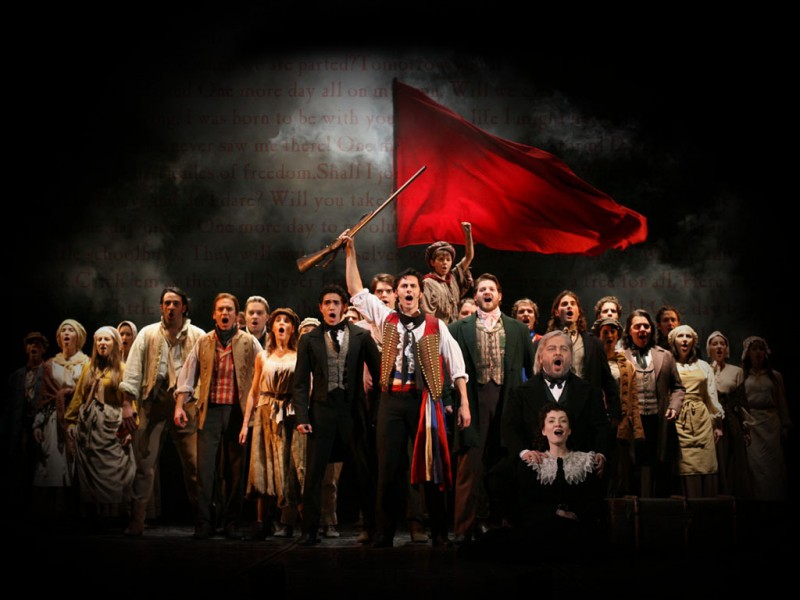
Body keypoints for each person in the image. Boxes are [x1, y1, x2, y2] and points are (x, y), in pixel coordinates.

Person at [344, 232, 471, 548]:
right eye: (404, 287)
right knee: (388, 467)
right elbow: (356, 290)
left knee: (432, 465)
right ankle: (384, 532)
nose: (409, 290)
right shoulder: (386, 317)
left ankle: (438, 531)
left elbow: (457, 367)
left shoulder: (435, 325)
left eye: (413, 286)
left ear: (420, 292)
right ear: (397, 293)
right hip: (391, 400)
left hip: (423, 400)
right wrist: (350, 252)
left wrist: (465, 404)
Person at [291, 283, 381, 546]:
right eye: (327, 303)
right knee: (314, 475)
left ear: (344, 307)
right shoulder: (309, 339)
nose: (332, 307)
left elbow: (379, 377)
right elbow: (300, 383)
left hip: (352, 412)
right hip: (322, 413)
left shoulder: (361, 336)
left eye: (336, 303)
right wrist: (302, 417)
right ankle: (309, 530)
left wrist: (374, 413)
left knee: (363, 472)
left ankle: (372, 528)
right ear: (321, 308)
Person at [448, 273, 533, 544]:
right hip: (473, 401)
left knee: (504, 463)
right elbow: (447, 368)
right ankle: (464, 528)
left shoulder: (518, 330)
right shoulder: (458, 328)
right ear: (475, 296)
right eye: (482, 289)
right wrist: (452, 402)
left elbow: (531, 373)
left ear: (499, 295)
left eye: (491, 289)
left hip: (507, 400)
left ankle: (501, 524)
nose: (487, 292)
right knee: (470, 465)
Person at [120, 286, 205, 536]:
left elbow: (205, 373)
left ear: (184, 307)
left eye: (176, 303)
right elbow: (133, 371)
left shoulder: (198, 336)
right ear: (161, 307)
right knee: (144, 464)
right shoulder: (147, 334)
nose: (171, 307)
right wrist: (127, 404)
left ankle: (202, 520)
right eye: (167, 303)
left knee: (194, 466)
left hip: (187, 404)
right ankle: (137, 520)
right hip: (154, 402)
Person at [176, 292, 262, 540]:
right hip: (210, 411)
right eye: (221, 310)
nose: (225, 313)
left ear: (237, 315)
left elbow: (262, 373)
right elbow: (188, 374)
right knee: (205, 470)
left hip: (237, 413)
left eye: (229, 310)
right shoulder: (204, 342)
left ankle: (232, 522)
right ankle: (204, 521)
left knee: (236, 471)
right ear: (214, 314)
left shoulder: (249, 342)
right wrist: (179, 405)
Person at [240, 307, 302, 539]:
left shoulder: (299, 356)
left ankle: (296, 523)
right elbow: (254, 392)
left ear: (292, 328)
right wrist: (245, 424)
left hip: (289, 414)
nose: (282, 324)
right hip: (266, 413)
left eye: (286, 321)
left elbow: (306, 388)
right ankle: (262, 523)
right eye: (278, 321)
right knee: (263, 467)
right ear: (272, 327)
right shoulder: (263, 357)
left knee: (290, 468)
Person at [65, 326, 137, 526]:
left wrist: (130, 428)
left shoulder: (122, 369)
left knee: (113, 472)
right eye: (99, 340)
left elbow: (130, 401)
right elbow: (79, 396)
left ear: (115, 344)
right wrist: (70, 421)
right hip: (89, 427)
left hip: (111, 427)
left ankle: (113, 517)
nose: (102, 343)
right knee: (88, 472)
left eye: (107, 340)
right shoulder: (89, 368)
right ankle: (92, 517)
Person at [621, 309, 685, 497]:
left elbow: (678, 387)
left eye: (646, 326)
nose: (642, 329)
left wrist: (674, 406)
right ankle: (634, 507)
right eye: (637, 326)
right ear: (629, 330)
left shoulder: (665, 355)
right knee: (633, 467)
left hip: (658, 420)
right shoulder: (621, 357)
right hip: (633, 422)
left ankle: (659, 508)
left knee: (660, 465)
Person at [32, 319, 89, 521]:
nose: (66, 333)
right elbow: (44, 397)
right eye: (63, 330)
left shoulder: (87, 363)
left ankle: (78, 515)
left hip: (78, 418)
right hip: (53, 421)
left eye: (70, 330)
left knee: (76, 467)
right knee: (53, 465)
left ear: (78, 336)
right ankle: (53, 515)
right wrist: (38, 424)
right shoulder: (50, 365)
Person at [669, 324, 724, 498]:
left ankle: (706, 506)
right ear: (673, 341)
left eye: (688, 336)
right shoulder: (668, 363)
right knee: (684, 464)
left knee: (706, 463)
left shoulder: (703, 366)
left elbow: (711, 395)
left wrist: (717, 424)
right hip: (678, 419)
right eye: (680, 336)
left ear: (694, 341)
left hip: (702, 420)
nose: (685, 340)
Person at [593, 316, 643, 497]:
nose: (609, 335)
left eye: (613, 332)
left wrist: (637, 431)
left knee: (620, 472)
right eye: (605, 332)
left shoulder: (626, 365)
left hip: (619, 424)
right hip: (597, 422)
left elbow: (633, 399)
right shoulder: (591, 362)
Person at [741, 336, 791, 505]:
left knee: (773, 466)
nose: (758, 353)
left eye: (761, 349)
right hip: (752, 425)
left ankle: (775, 502)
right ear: (748, 353)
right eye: (754, 349)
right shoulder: (743, 376)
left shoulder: (775, 376)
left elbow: (781, 401)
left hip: (771, 424)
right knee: (755, 465)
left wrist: (785, 425)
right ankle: (757, 503)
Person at [3, 331, 49, 516]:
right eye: (30, 343)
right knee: (18, 466)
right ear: (25, 348)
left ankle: (37, 510)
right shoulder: (17, 376)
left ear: (44, 348)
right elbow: (8, 406)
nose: (33, 347)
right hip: (20, 427)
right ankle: (18, 509)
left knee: (39, 467)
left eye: (38, 343)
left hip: (42, 425)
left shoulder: (48, 371)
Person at [706, 331, 753, 499]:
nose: (719, 347)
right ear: (709, 349)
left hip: (731, 420)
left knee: (733, 460)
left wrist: (745, 427)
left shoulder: (737, 371)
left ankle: (734, 497)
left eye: (722, 344)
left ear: (727, 349)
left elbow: (741, 401)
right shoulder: (704, 369)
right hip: (711, 420)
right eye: (715, 344)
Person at [420, 221, 475, 324]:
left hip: (455, 328)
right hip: (438, 330)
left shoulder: (454, 276)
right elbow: (427, 314)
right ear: (432, 262)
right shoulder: (428, 283)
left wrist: (468, 234)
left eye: (448, 260)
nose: (445, 262)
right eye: (441, 259)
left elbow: (469, 256)